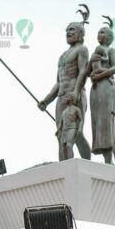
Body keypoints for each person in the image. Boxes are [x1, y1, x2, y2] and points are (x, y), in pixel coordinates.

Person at [39, 21, 91, 159]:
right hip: (62, 97)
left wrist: (76, 91)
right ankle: (63, 168)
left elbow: (83, 72)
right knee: (61, 135)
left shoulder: (82, 49)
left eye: (72, 30)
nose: (68, 33)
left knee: (76, 134)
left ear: (80, 34)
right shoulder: (62, 56)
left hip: (76, 95)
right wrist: (47, 100)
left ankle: (87, 165)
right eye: (67, 30)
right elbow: (59, 82)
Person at [88, 25, 115, 164]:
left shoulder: (111, 50)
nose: (99, 34)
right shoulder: (95, 53)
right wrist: (92, 64)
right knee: (97, 121)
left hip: (107, 86)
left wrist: (101, 74)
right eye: (98, 32)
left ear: (108, 36)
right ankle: (104, 155)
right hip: (95, 88)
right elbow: (88, 71)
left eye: (102, 32)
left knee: (106, 120)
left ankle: (109, 158)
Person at [56, 92, 84, 161]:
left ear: (71, 98)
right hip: (64, 130)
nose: (64, 99)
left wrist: (80, 128)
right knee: (63, 147)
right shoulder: (64, 112)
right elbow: (61, 123)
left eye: (66, 97)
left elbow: (81, 120)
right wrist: (58, 130)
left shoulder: (76, 109)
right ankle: (66, 162)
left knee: (69, 145)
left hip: (72, 128)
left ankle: (71, 161)